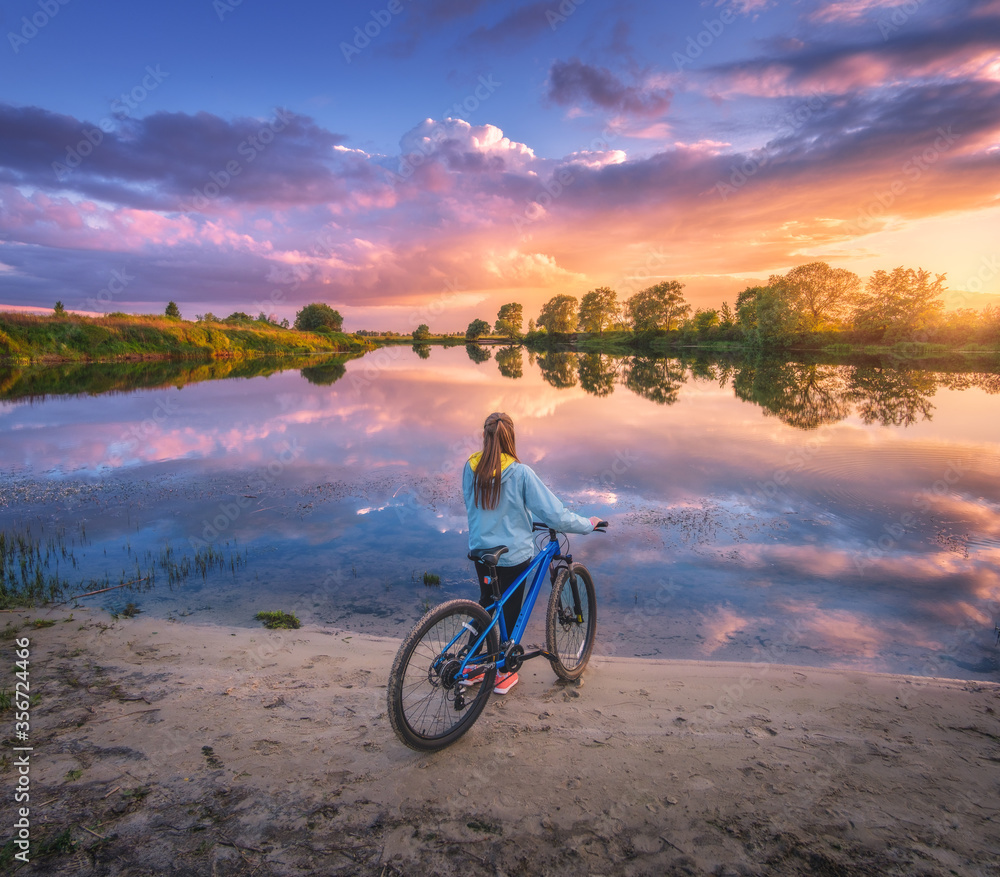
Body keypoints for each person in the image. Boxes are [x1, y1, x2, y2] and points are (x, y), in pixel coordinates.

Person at [462, 411, 600, 695]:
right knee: (510, 611)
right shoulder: (520, 473)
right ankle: (503, 674)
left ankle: (468, 666)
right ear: (511, 437)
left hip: (480, 551)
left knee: (487, 603)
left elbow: (473, 505)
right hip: (511, 556)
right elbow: (555, 515)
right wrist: (587, 524)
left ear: (485, 436)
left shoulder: (470, 466)